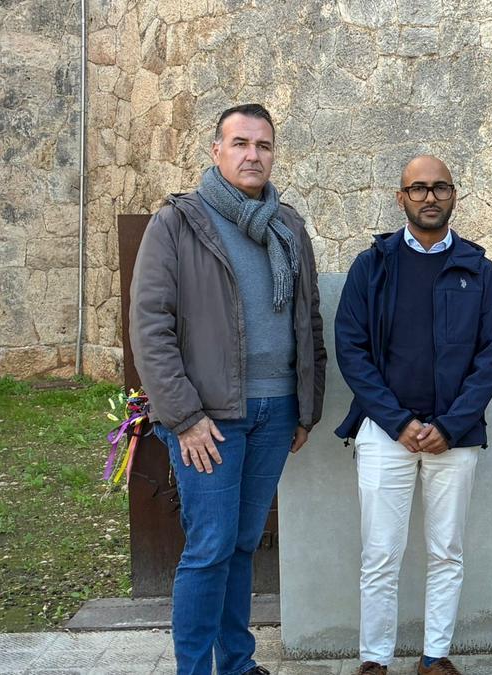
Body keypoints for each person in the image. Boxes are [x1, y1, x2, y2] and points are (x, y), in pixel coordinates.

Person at [129, 103, 327, 675]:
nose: (252, 155)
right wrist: (184, 416)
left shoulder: (287, 225)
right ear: (216, 151)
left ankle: (237, 665)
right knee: (210, 547)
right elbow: (151, 326)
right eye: (240, 143)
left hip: (276, 409)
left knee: (242, 544)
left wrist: (305, 409)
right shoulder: (179, 223)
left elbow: (307, 317)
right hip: (209, 417)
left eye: (263, 146)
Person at [334, 155, 492, 675]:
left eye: (440, 188)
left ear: (454, 195)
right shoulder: (374, 265)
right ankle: (374, 661)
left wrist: (450, 426)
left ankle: (435, 658)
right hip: (386, 433)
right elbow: (351, 349)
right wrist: (398, 422)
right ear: (400, 196)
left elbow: (489, 358)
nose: (429, 197)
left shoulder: (479, 269)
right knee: (381, 554)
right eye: (418, 189)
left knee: (446, 551)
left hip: (454, 437)